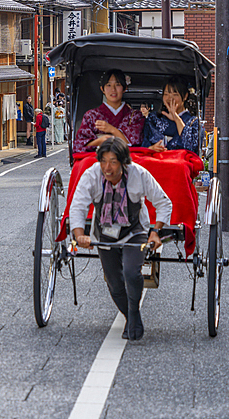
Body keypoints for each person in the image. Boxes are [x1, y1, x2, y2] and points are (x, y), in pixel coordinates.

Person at [69, 137, 171, 341]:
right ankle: (132, 315)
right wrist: (79, 234)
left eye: (113, 161)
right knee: (114, 283)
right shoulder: (92, 175)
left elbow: (163, 202)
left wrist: (155, 231)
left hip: (135, 232)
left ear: (124, 162)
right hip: (104, 233)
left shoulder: (138, 174)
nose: (107, 168)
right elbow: (78, 205)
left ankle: (132, 316)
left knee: (132, 273)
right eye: (104, 161)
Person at [73, 69, 145, 153]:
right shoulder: (91, 115)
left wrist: (112, 130)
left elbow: (137, 143)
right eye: (108, 85)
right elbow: (78, 146)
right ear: (102, 89)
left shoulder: (135, 116)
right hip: (97, 159)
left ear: (125, 88)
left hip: (128, 159)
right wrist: (100, 141)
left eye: (117, 85)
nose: (113, 90)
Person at [140, 77, 201, 155]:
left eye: (175, 94)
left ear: (185, 96)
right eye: (166, 94)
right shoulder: (154, 119)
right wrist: (151, 149)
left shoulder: (193, 122)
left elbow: (191, 148)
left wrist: (176, 118)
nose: (170, 98)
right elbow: (143, 146)